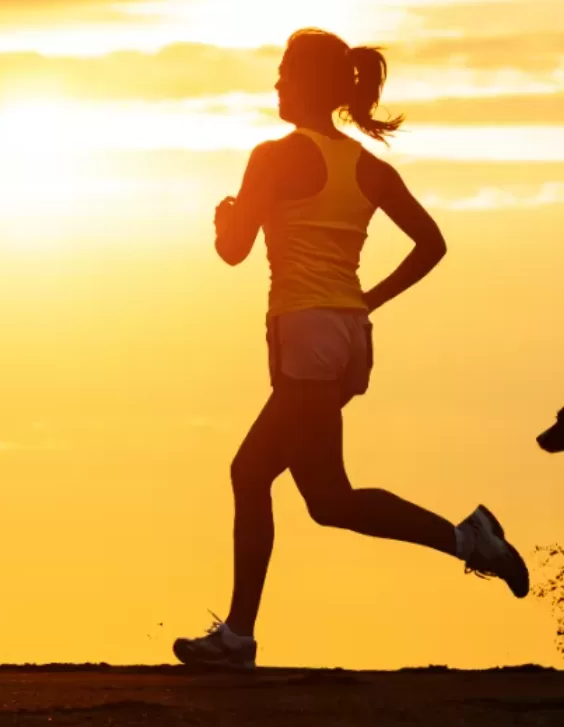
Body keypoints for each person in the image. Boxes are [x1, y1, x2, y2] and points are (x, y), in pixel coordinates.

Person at [173, 28, 530, 669]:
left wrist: (223, 219)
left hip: (306, 335)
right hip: (348, 340)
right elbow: (432, 244)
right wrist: (368, 300)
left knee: (303, 489)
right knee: (297, 489)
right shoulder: (367, 167)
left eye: (284, 72)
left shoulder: (272, 157)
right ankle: (240, 634)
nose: (276, 83)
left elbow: (233, 252)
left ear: (308, 83)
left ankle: (465, 542)